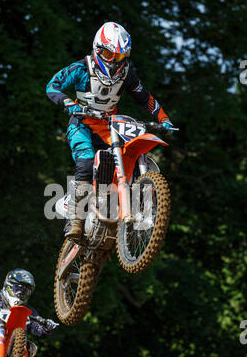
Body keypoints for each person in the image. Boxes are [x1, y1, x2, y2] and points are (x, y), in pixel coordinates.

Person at [46, 21, 175, 242]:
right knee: (86, 161)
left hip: (109, 125)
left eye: (119, 56)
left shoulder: (127, 74)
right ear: (98, 49)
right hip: (82, 123)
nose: (114, 61)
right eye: (109, 54)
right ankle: (75, 220)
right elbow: (52, 86)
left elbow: (144, 97)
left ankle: (131, 207)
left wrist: (163, 118)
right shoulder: (81, 68)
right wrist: (69, 103)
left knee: (128, 152)